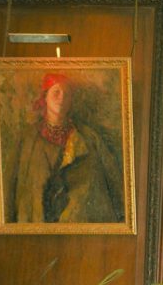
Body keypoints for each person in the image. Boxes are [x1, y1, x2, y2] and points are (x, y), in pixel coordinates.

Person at [8, 73, 125, 224]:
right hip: (35, 226)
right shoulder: (27, 139)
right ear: (45, 97)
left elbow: (115, 183)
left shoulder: (89, 138)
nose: (62, 98)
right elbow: (10, 188)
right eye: (56, 92)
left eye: (67, 94)